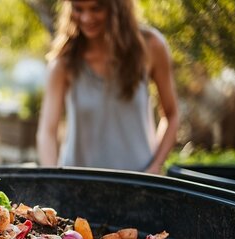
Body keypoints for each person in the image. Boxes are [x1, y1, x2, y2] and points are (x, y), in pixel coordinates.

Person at [36, 0, 179, 174]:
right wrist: (54, 179)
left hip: (140, 182)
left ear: (117, 6)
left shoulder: (151, 47)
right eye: (78, 9)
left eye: (96, 8)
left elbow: (171, 115)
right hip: (78, 186)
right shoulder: (63, 61)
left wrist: (156, 166)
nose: (87, 18)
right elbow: (47, 132)